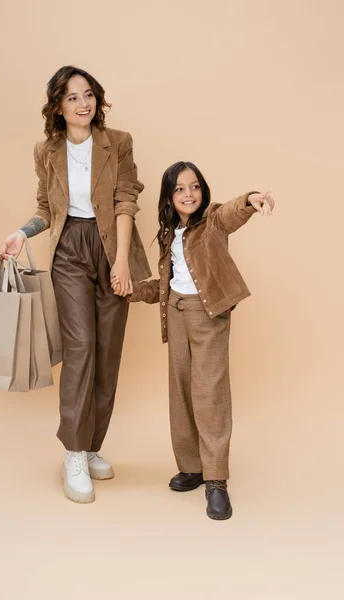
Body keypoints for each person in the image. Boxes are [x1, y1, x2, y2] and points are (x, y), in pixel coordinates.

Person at [0, 66, 151, 504]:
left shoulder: (117, 142)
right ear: (57, 106)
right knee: (81, 348)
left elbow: (126, 200)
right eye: (72, 98)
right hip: (69, 250)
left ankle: (91, 444)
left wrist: (121, 263)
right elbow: (47, 207)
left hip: (111, 248)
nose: (82, 103)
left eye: (88, 95)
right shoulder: (46, 150)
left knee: (108, 354)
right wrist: (22, 234)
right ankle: (73, 453)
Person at [117, 161, 274, 520]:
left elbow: (233, 212)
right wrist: (133, 291)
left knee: (209, 392)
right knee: (182, 389)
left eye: (195, 187)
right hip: (175, 311)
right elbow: (164, 283)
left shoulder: (213, 222)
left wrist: (251, 199)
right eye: (180, 189)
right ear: (169, 198)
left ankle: (216, 479)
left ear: (203, 193)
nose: (189, 194)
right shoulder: (169, 233)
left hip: (208, 314)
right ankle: (192, 468)